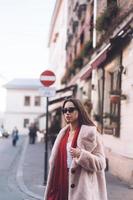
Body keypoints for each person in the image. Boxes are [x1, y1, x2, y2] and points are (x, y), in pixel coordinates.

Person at [44, 98, 108, 200]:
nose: (67, 113)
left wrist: (82, 155)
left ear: (79, 111)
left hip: (81, 190)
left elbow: (101, 163)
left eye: (71, 110)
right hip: (60, 186)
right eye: (65, 110)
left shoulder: (91, 133)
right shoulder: (62, 134)